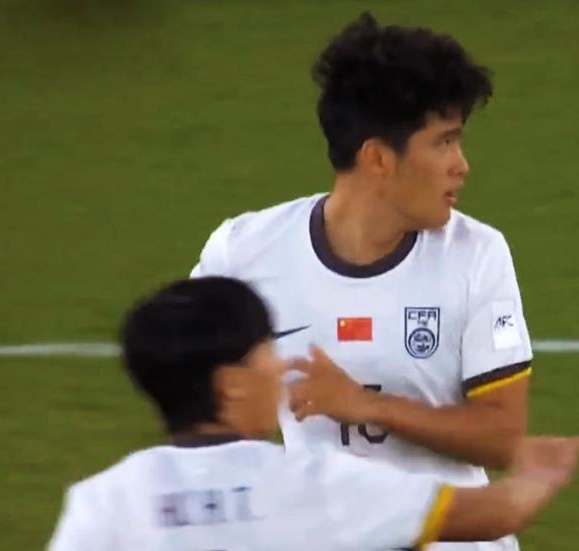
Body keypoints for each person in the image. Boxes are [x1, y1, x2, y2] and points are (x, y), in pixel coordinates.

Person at [191, 13, 535, 549]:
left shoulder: (476, 254)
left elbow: (504, 438)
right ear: (377, 158)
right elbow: (193, 395)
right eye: (444, 142)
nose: (461, 165)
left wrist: (370, 406)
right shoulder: (243, 252)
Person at [48, 277, 579, 550]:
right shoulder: (309, 484)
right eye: (266, 350)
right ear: (231, 385)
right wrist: (539, 475)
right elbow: (491, 515)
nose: (280, 366)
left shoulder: (103, 501)